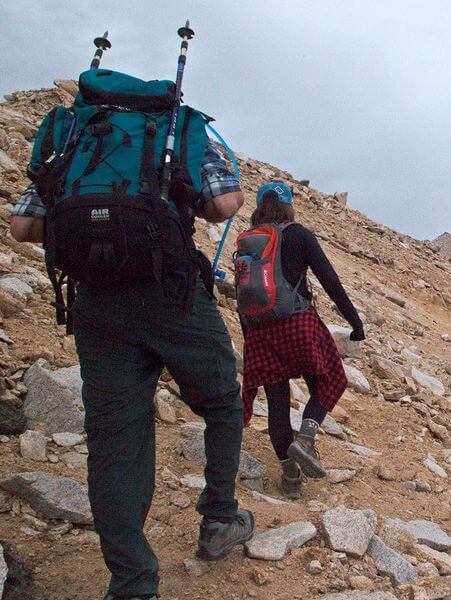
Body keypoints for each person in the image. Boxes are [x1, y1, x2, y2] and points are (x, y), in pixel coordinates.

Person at [10, 141, 253, 600]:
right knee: (222, 402)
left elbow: (23, 226)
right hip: (174, 295)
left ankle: (132, 584)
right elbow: (221, 204)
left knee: (114, 440)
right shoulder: (179, 131)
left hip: (97, 304)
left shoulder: (74, 137)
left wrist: (99, 234)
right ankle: (219, 518)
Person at [238, 181, 365, 500]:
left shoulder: (248, 243)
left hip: (260, 331)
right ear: (288, 205)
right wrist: (354, 322)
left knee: (277, 401)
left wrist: (251, 339)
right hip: (298, 323)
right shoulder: (299, 234)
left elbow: (244, 296)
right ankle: (306, 438)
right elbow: (329, 280)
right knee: (331, 379)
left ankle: (290, 477)